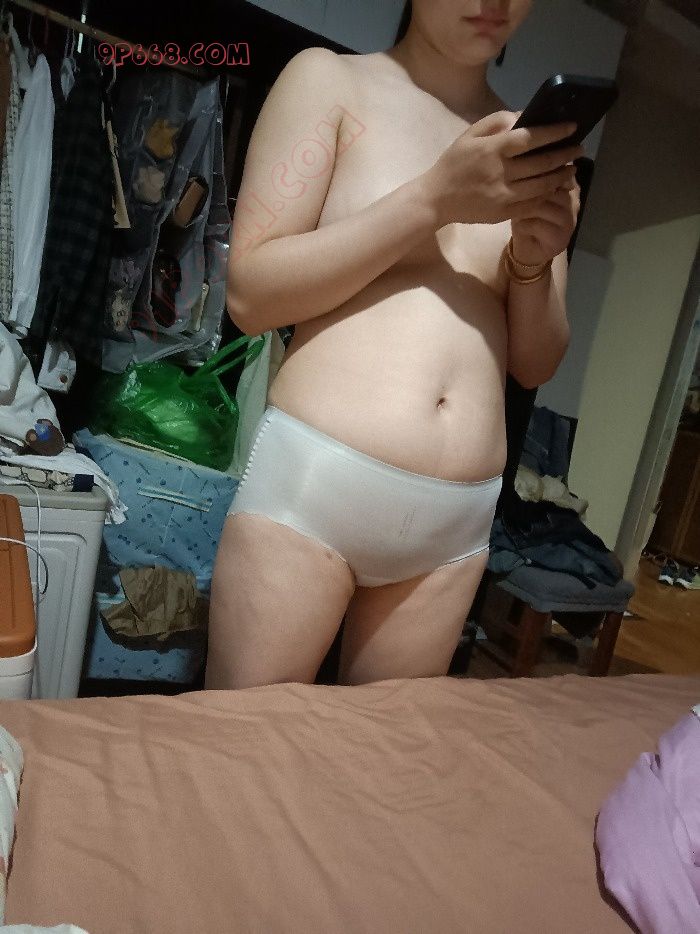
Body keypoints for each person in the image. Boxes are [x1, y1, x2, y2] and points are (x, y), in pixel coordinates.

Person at [205, 0, 582, 690]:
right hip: (315, 491)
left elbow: (536, 364)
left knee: (381, 754)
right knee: (245, 745)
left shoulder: (529, 149)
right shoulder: (330, 82)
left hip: (454, 526)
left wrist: (532, 263)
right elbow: (251, 297)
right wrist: (434, 198)